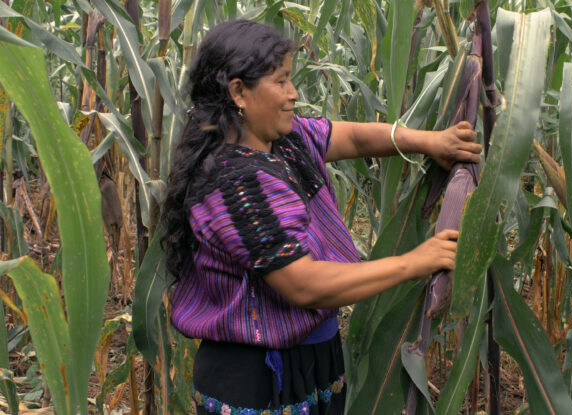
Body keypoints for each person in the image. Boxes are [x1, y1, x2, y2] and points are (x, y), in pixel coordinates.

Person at [161, 19, 482, 415]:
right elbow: (304, 284)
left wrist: (428, 140)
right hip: (256, 380)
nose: (293, 93)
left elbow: (352, 137)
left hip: (308, 362)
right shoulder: (237, 183)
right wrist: (412, 263)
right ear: (238, 92)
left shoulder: (283, 141)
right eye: (280, 81)